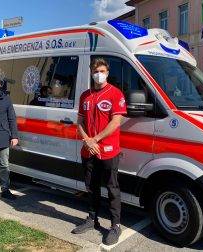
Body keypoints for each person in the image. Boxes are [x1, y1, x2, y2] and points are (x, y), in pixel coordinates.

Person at [72, 58, 127, 245]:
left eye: (102, 70)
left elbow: (116, 122)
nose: (99, 74)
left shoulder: (115, 94)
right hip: (88, 150)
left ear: (107, 72)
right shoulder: (85, 96)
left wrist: (95, 139)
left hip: (108, 151)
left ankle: (115, 225)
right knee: (91, 188)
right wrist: (88, 140)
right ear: (91, 72)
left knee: (112, 189)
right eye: (96, 71)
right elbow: (79, 123)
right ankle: (92, 219)